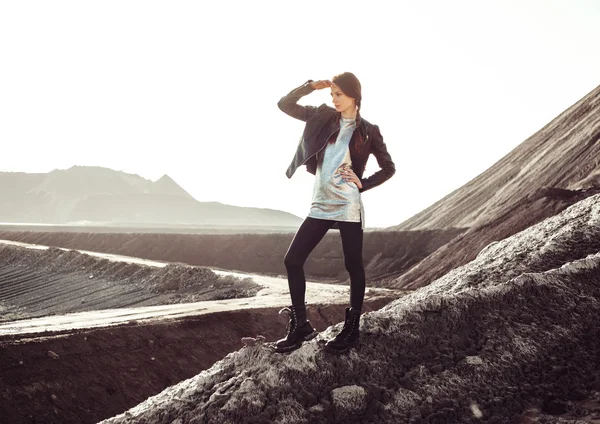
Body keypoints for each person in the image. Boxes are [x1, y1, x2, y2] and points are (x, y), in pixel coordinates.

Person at [274, 72, 396, 354]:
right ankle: (301, 326)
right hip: (320, 203)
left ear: (354, 95)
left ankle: (351, 329)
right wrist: (310, 87)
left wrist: (363, 183)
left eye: (338, 94)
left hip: (348, 204)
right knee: (293, 260)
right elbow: (284, 104)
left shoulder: (369, 130)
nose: (334, 99)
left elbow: (389, 168)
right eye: (332, 95)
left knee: (353, 266)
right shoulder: (322, 116)